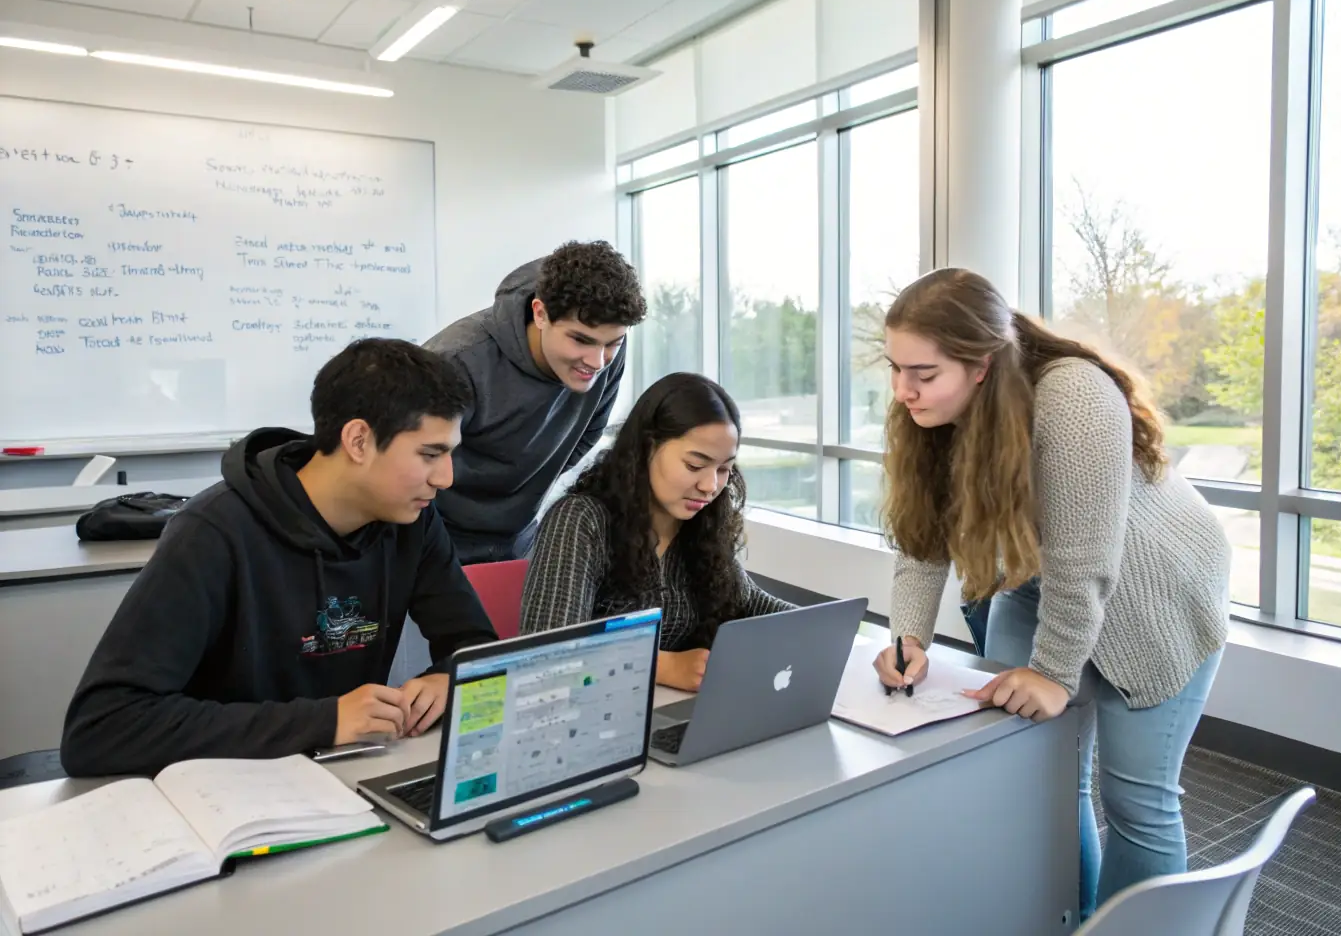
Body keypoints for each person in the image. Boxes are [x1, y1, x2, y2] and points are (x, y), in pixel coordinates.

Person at [871, 268, 1229, 919]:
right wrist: (907, 637)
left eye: (922, 373)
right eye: (895, 369)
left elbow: (1084, 561)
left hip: (1159, 595)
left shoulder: (1071, 396)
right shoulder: (928, 413)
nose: (903, 390)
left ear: (980, 363)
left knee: (1136, 801)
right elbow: (922, 538)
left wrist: (1052, 674)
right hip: (1043, 583)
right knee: (1044, 785)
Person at [61, 339, 498, 778]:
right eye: (429, 454)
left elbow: (477, 648)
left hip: (342, 778)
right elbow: (101, 728)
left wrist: (449, 678)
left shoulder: (412, 522)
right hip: (223, 792)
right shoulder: (213, 532)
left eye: (450, 453)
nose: (446, 478)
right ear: (359, 440)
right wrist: (325, 721)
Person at [519, 372, 795, 692]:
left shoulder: (700, 529)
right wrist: (661, 665)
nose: (710, 487)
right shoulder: (581, 520)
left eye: (724, 469)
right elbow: (547, 653)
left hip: (668, 714)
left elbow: (755, 605)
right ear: (647, 448)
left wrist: (833, 632)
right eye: (694, 465)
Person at [423, 241, 648, 565]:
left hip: (518, 541)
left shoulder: (605, 357)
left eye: (612, 342)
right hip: (432, 540)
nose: (597, 361)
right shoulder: (456, 360)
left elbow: (588, 434)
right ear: (540, 313)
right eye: (580, 340)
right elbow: (410, 466)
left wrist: (524, 491)